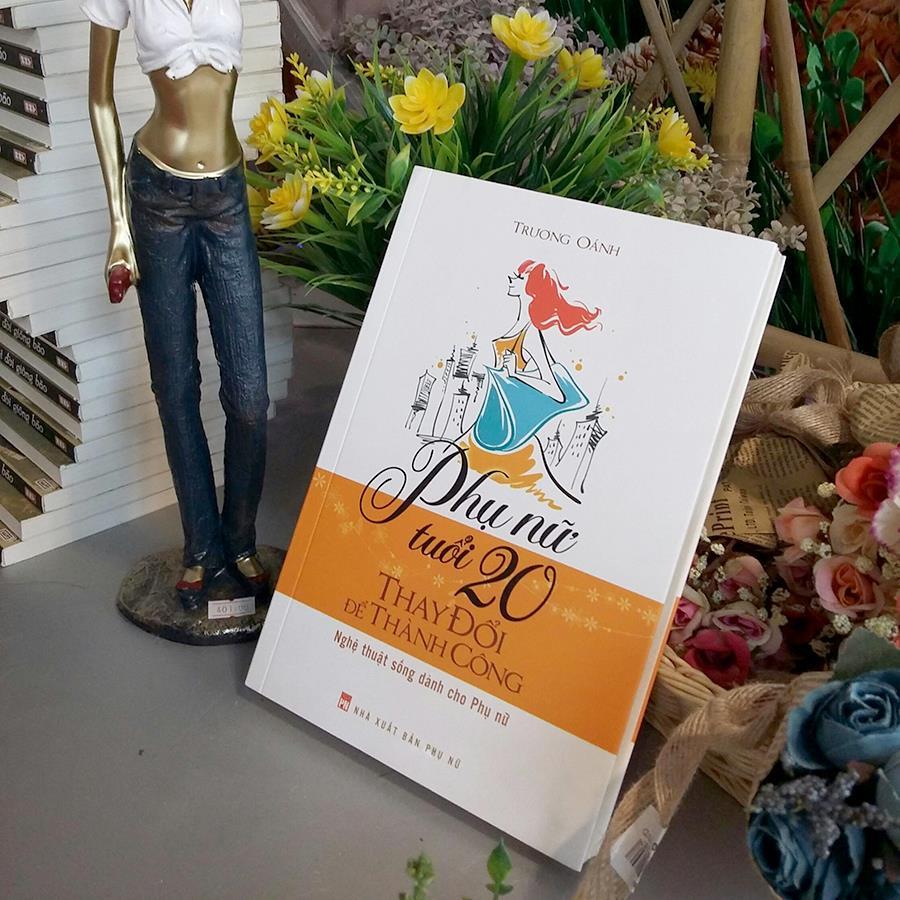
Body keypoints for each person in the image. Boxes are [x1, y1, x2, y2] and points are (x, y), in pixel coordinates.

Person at [84, 0, 270, 608]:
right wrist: (118, 226)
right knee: (175, 385)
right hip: (156, 195)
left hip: (226, 197)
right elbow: (99, 99)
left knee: (249, 398)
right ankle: (201, 548)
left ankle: (239, 538)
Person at [472, 260, 599, 454]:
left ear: (532, 289)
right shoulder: (518, 326)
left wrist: (515, 374)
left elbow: (557, 393)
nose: (511, 278)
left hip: (508, 426)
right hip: (491, 418)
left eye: (520, 277)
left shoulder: (530, 334)